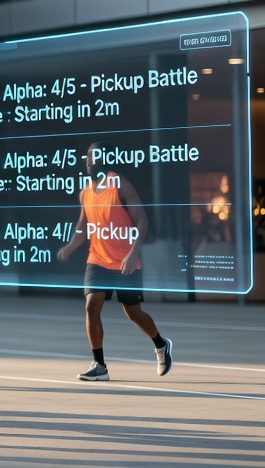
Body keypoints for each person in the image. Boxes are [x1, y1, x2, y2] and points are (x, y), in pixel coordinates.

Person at [57, 142, 172, 382]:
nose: (88, 163)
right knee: (92, 305)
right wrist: (69, 247)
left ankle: (161, 344)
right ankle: (99, 365)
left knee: (133, 312)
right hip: (97, 258)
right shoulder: (85, 192)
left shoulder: (120, 185)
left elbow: (142, 219)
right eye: (86, 158)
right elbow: (83, 227)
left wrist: (133, 253)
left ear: (104, 159)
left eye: (93, 158)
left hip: (124, 260)